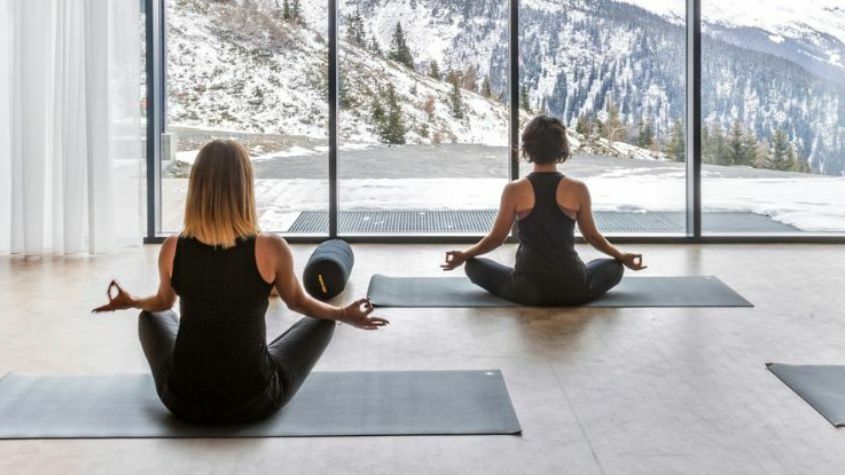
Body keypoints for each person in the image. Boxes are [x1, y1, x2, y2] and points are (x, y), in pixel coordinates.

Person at [93, 139, 388, 424]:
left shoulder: (173, 247)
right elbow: (298, 302)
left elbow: (162, 302)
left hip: (182, 401)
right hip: (254, 401)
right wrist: (343, 314)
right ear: (244, 186)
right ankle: (260, 358)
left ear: (196, 187)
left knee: (150, 315)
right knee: (324, 320)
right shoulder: (270, 246)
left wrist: (132, 302)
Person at [440, 115, 647, 305]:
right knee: (614, 266)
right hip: (574, 288)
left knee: (473, 265)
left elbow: (496, 239)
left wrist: (464, 256)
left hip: (526, 290)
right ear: (562, 149)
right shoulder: (578, 189)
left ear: (528, 148)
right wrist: (622, 256)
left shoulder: (514, 190)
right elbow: (592, 236)